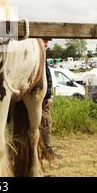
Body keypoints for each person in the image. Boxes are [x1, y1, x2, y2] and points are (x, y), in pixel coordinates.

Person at [39, 38, 60, 169]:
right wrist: (48, 95)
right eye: (44, 41)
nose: (46, 44)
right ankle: (48, 156)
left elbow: (47, 77)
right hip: (40, 96)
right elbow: (45, 77)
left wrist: (49, 95)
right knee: (45, 125)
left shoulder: (42, 53)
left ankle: (47, 155)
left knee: (45, 126)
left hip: (42, 96)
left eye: (47, 42)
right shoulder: (38, 54)